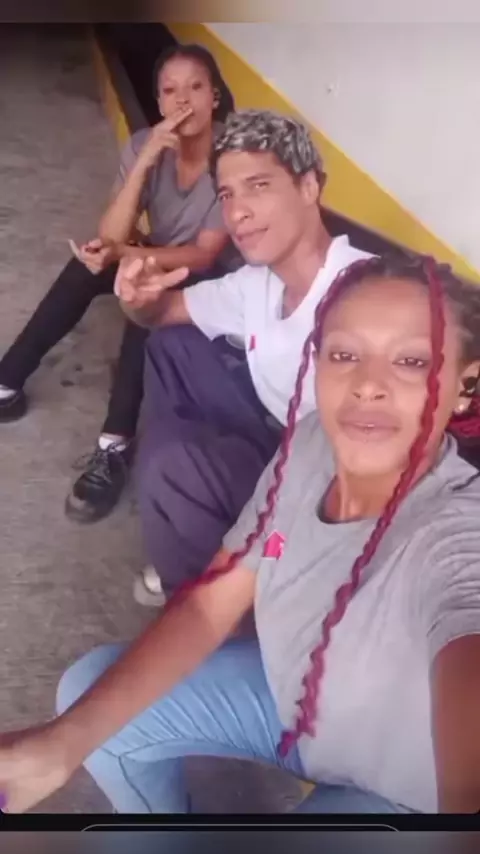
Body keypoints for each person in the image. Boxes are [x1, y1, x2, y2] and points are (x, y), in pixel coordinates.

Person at [2, 252, 480, 814]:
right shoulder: (312, 444)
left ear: (465, 385)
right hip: (290, 705)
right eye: (344, 354)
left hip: (399, 787)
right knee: (86, 697)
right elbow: (211, 604)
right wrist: (61, 747)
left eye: (411, 361)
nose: (367, 385)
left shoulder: (455, 537)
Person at [115, 109, 373, 606]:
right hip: (276, 435)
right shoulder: (256, 283)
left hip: (324, 483)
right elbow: (163, 312)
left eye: (258, 186)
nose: (237, 213)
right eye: (227, 195)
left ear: (309, 187)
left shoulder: (369, 293)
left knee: (172, 463)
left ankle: (227, 609)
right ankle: (191, 526)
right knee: (172, 347)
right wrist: (137, 298)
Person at [0, 43, 237, 524]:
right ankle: (6, 381)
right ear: (158, 100)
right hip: (157, 252)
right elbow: (111, 233)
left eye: (195, 87)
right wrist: (145, 159)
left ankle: (115, 443)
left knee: (142, 299)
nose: (183, 100)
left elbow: (204, 254)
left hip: (211, 277)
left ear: (214, 96)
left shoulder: (231, 156)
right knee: (87, 266)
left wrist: (129, 257)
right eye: (170, 91)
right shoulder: (146, 144)